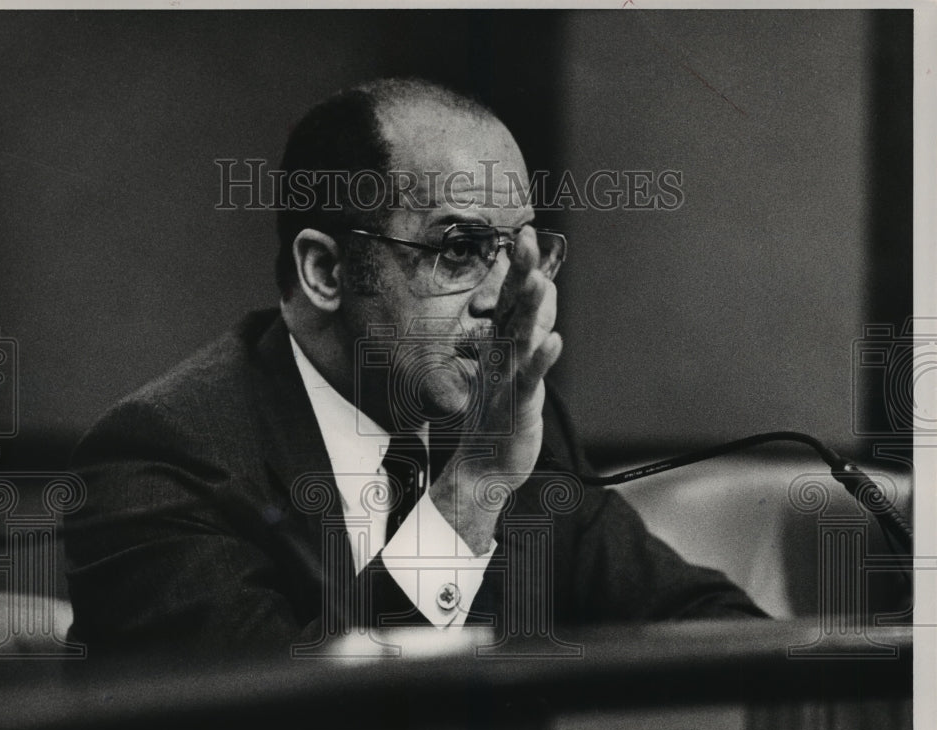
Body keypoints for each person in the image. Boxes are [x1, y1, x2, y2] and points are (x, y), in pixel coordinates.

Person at [64, 78, 765, 662]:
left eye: (518, 255)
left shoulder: (520, 422)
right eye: (459, 249)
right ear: (327, 270)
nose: (499, 299)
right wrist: (472, 492)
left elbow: (700, 622)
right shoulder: (162, 462)